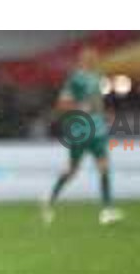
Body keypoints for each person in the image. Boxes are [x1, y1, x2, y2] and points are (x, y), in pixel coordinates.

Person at [42, 47, 123, 225]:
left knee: (104, 166)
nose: (94, 60)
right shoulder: (75, 79)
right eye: (90, 57)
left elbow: (97, 103)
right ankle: (50, 198)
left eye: (95, 57)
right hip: (80, 130)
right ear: (83, 60)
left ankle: (107, 210)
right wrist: (79, 107)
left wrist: (104, 115)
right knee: (72, 170)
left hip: (98, 130)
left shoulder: (97, 78)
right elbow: (62, 104)